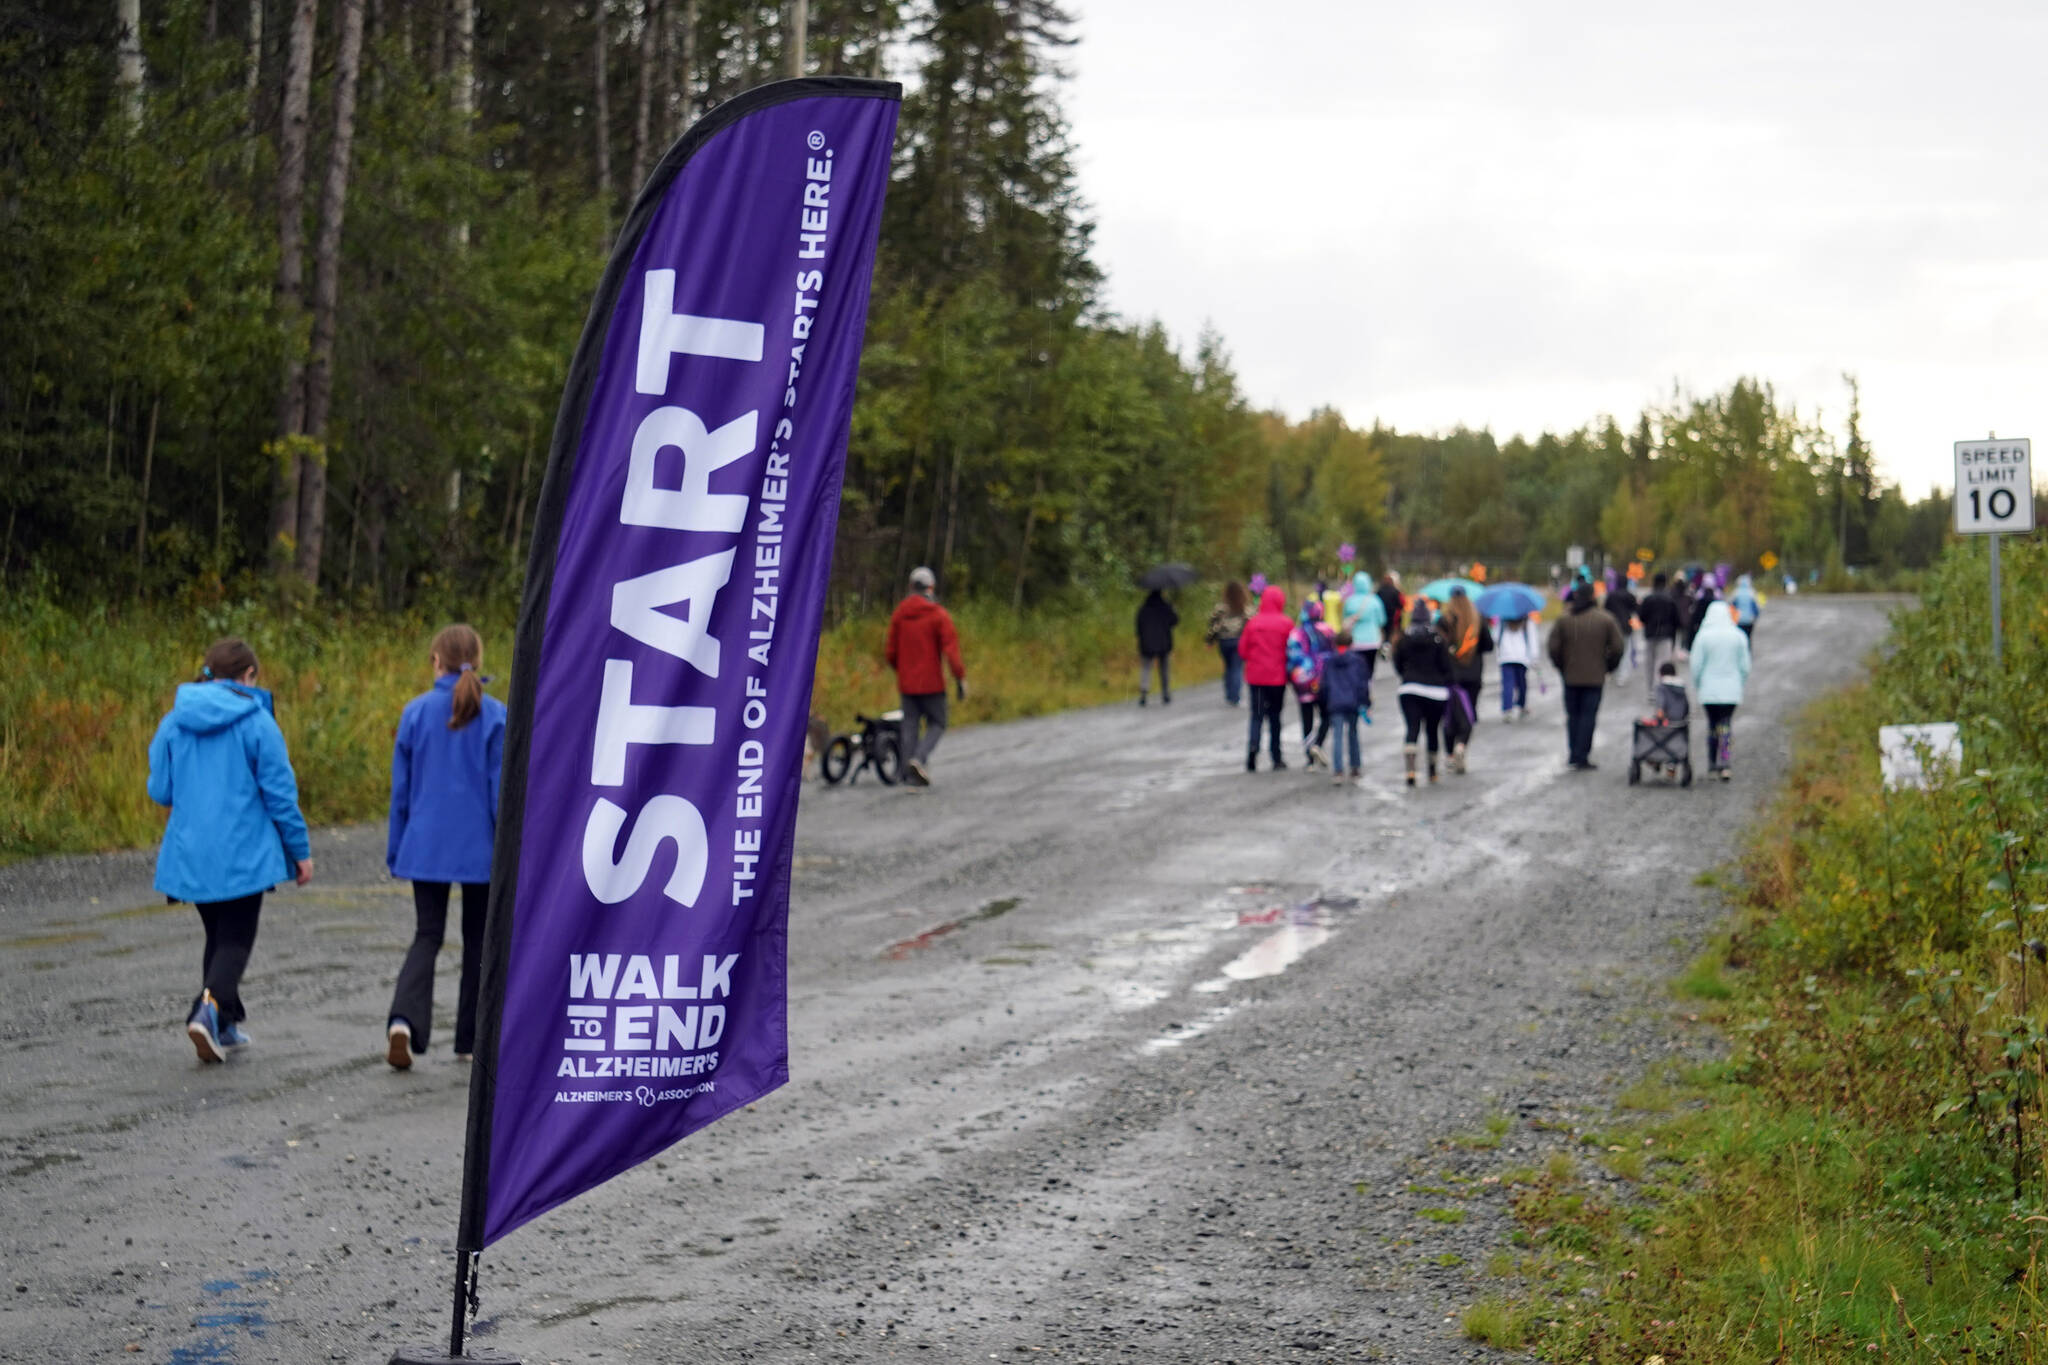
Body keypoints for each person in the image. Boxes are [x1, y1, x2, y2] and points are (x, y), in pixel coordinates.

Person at [147, 638, 313, 1064]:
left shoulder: (173, 722)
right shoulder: (257, 722)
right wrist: (300, 852)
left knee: (218, 937)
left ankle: (224, 1024)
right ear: (249, 677)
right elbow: (280, 795)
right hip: (243, 854)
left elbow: (161, 789)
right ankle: (204, 1012)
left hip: (191, 854)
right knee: (236, 940)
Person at [384, 624, 506, 1070]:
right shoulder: (497, 716)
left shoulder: (415, 712)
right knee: (478, 940)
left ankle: (403, 1019)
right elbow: (501, 795)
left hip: (426, 844)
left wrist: (397, 850)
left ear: (436, 661)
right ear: (478, 659)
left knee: (427, 934)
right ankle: (469, 1039)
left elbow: (402, 792)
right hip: (482, 849)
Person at [885, 566, 966, 787]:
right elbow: (951, 651)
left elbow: (890, 652)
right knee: (938, 722)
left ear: (911, 587)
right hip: (932, 683)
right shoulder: (938, 614)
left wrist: (902, 671)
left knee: (909, 726)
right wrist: (959, 678)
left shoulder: (899, 615)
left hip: (907, 683)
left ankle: (908, 773)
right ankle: (918, 760)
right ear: (930, 588)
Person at [1546, 583, 1625, 770]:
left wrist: (1562, 666)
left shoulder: (1564, 620)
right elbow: (1618, 648)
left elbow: (1553, 648)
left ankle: (1574, 753)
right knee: (1588, 716)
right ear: (1593, 596)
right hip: (1595, 677)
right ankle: (1583, 754)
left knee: (1573, 715)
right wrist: (1608, 667)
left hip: (1571, 676)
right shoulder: (1605, 619)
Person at [1689, 597, 1753, 780]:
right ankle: (1725, 762)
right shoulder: (1739, 636)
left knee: (1712, 725)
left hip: (1709, 691)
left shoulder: (1703, 636)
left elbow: (1696, 665)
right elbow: (1745, 666)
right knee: (1725, 725)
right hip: (1731, 691)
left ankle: (1711, 763)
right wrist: (1740, 682)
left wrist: (1699, 684)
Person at [1393, 601, 1454, 786]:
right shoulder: (1438, 639)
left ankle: (1410, 770)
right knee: (1432, 731)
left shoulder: (1404, 638)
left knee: (1412, 729)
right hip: (1436, 692)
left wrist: (1407, 676)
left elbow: (1398, 663)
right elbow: (1447, 667)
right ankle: (1432, 771)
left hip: (1410, 689)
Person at [1437, 587, 1492, 773]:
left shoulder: (1444, 620)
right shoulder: (1478, 619)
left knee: (1450, 716)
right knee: (1468, 715)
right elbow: (1489, 645)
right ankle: (1462, 746)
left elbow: (1438, 647)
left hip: (1451, 676)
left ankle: (1450, 754)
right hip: (1473, 675)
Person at [1239, 585, 1292, 771]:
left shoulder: (1252, 623)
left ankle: (1252, 751)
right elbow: (1292, 651)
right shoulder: (1286, 624)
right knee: (1275, 717)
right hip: (1277, 679)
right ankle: (1276, 757)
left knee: (1256, 716)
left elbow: (1243, 650)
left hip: (1256, 678)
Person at [1318, 630, 1370, 786]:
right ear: (1351, 644)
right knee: (1353, 734)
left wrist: (1323, 703)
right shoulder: (1358, 661)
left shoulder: (1329, 661)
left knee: (1337, 737)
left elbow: (1324, 685)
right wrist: (1365, 702)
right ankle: (1355, 767)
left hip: (1335, 702)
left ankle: (1338, 770)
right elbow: (1362, 684)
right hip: (1353, 702)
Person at [1287, 600, 1336, 767]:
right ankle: (1318, 743)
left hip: (1303, 681)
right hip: (1324, 680)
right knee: (1327, 715)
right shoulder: (1328, 630)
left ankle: (1309, 757)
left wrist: (1290, 676)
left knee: (1306, 718)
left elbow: (1292, 658)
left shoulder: (1296, 633)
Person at [1638, 572, 1683, 705]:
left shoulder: (1648, 598)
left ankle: (1651, 691)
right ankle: (1662, 690)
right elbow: (1676, 620)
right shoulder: (1670, 599)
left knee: (1650, 664)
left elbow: (1641, 617)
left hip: (1650, 634)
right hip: (1666, 635)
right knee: (1663, 664)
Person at [1342, 571, 1388, 699]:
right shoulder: (1374, 601)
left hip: (1354, 641)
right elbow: (1382, 620)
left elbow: (1344, 620)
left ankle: (1356, 691)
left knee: (1355, 668)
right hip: (1372, 641)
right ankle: (1367, 692)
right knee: (1369, 669)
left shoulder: (1349, 601)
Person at [1205, 582, 1251, 706]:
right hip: (1238, 641)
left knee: (1228, 666)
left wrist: (1209, 640)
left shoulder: (1221, 609)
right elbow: (1250, 625)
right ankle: (1235, 696)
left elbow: (1214, 626)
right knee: (1237, 667)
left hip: (1224, 641)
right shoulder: (1244, 608)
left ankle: (1229, 694)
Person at [1135, 588, 1179, 706]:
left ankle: (1144, 691)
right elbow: (1175, 621)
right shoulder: (1166, 607)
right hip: (1163, 642)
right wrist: (1173, 609)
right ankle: (1165, 692)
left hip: (1147, 643)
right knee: (1164, 668)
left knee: (1146, 668)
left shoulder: (1143, 609)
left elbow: (1138, 627)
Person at [1495, 613, 1540, 721]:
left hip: (1506, 657)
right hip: (1522, 657)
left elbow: (1495, 637)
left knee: (1507, 684)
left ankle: (1507, 709)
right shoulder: (1528, 622)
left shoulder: (1502, 621)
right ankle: (1521, 704)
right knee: (1521, 683)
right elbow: (1532, 640)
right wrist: (1534, 658)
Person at [1605, 576, 1640, 683]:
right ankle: (1622, 675)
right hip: (1626, 627)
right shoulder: (1630, 596)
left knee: (1611, 650)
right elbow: (1637, 610)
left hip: (1612, 627)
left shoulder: (1611, 595)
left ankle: (1611, 671)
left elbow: (1605, 610)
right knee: (1625, 651)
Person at [1683, 582, 1719, 652]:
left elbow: (1695, 617)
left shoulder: (1700, 602)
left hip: (1701, 627)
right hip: (1712, 629)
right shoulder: (1715, 603)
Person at [1731, 574, 1761, 653]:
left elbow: (1732, 607)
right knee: (1748, 637)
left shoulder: (1736, 593)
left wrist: (1732, 619)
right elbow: (1756, 608)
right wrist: (1756, 616)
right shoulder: (1752, 593)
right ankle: (1747, 652)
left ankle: (1739, 652)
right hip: (1749, 620)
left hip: (1738, 620)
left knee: (1739, 637)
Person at [1374, 572, 1404, 649]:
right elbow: (1400, 604)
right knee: (1390, 633)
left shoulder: (1379, 591)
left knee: (1382, 632)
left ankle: (1382, 645)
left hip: (1381, 614)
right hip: (1392, 616)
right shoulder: (1395, 591)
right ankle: (1388, 646)